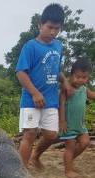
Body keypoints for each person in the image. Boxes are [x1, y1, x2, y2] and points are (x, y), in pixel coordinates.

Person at [16, 3, 72, 169]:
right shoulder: (30, 47)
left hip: (51, 100)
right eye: (49, 27)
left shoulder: (58, 46)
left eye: (57, 28)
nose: (53, 32)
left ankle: (36, 156)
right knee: (30, 134)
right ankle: (21, 173)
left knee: (51, 134)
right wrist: (34, 93)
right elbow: (20, 72)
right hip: (30, 100)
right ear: (40, 25)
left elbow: (56, 68)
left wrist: (65, 81)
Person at [59, 58, 95, 178]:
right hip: (68, 125)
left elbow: (93, 96)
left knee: (85, 143)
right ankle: (68, 170)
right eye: (78, 76)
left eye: (84, 77)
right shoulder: (67, 89)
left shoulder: (84, 89)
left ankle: (68, 161)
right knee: (69, 147)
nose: (80, 80)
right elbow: (61, 105)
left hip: (80, 125)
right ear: (71, 74)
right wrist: (62, 121)